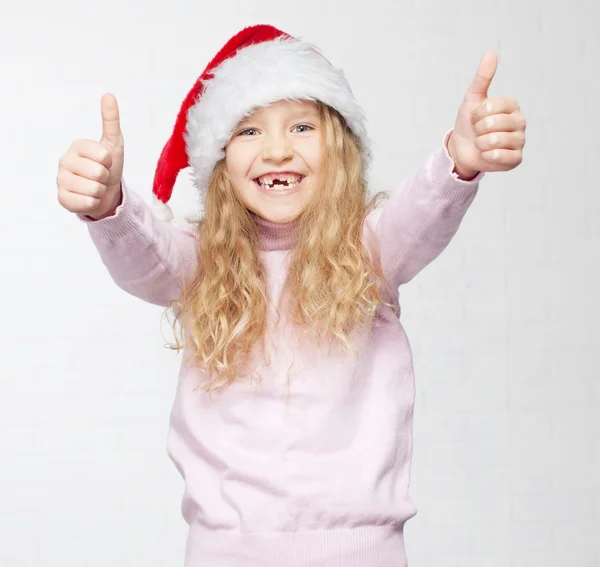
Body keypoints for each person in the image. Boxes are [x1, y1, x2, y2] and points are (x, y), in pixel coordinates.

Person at [56, 24, 526, 567]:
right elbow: (145, 257)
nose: (277, 149)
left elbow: (419, 213)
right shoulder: (200, 262)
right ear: (221, 164)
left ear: (339, 149)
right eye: (249, 132)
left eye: (302, 126)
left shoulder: (370, 251)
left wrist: (459, 161)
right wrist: (108, 203)